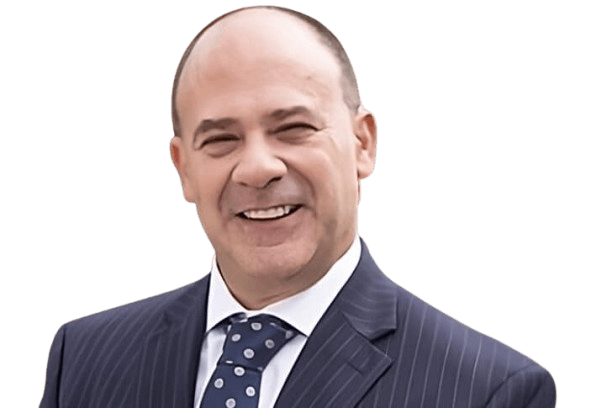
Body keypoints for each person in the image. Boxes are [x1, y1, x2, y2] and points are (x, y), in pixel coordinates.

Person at [39, 5, 556, 408]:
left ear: (362, 144)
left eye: (293, 128)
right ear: (184, 169)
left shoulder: (487, 390)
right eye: (220, 139)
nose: (257, 168)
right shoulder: (83, 359)